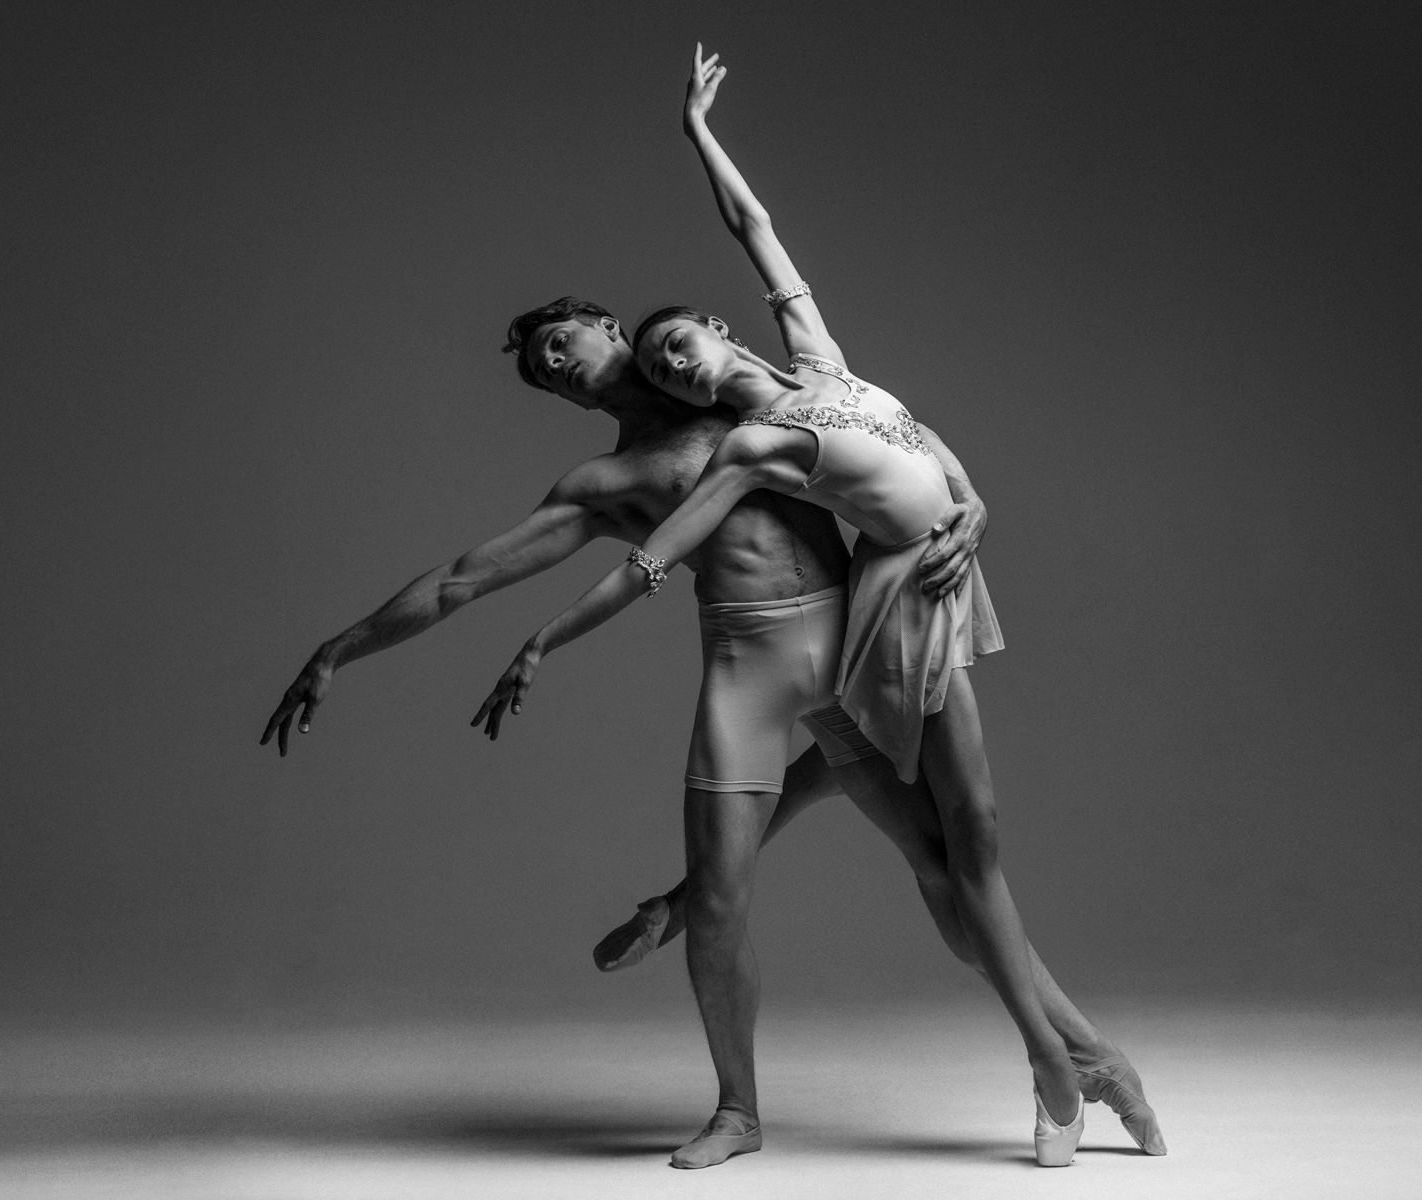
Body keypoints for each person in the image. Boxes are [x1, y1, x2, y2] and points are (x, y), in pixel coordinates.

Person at [262, 301, 1162, 1168]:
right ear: (568, 402)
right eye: (544, 372)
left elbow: (887, 429)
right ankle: (737, 1107)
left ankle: (1086, 1056)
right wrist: (340, 648)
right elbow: (464, 578)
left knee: (949, 881)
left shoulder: (743, 390)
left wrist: (967, 502)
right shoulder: (604, 485)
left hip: (850, 646)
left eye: (561, 343)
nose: (555, 364)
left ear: (610, 328)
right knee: (727, 903)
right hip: (746, 664)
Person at [476, 46, 1142, 1167]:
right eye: (663, 367)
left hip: (940, 575)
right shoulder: (743, 447)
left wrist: (698, 131)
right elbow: (657, 560)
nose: (677, 367)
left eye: (678, 344)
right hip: (882, 606)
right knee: (956, 862)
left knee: (961, 855)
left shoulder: (818, 361)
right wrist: (544, 636)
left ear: (722, 333)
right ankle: (1060, 1066)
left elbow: (768, 243)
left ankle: (1084, 1065)